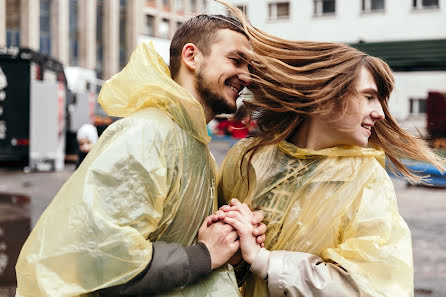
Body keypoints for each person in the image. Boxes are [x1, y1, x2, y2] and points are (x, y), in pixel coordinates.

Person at [15, 15, 266, 297]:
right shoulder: (147, 135)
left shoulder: (196, 147)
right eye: (235, 60)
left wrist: (231, 241)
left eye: (249, 67)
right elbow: (104, 259)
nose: (246, 76)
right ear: (191, 56)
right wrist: (205, 254)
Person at [217, 5, 446, 297]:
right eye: (369, 97)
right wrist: (234, 251)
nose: (381, 114)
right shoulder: (248, 159)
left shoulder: (366, 182)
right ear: (324, 98)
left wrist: (265, 261)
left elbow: (371, 287)